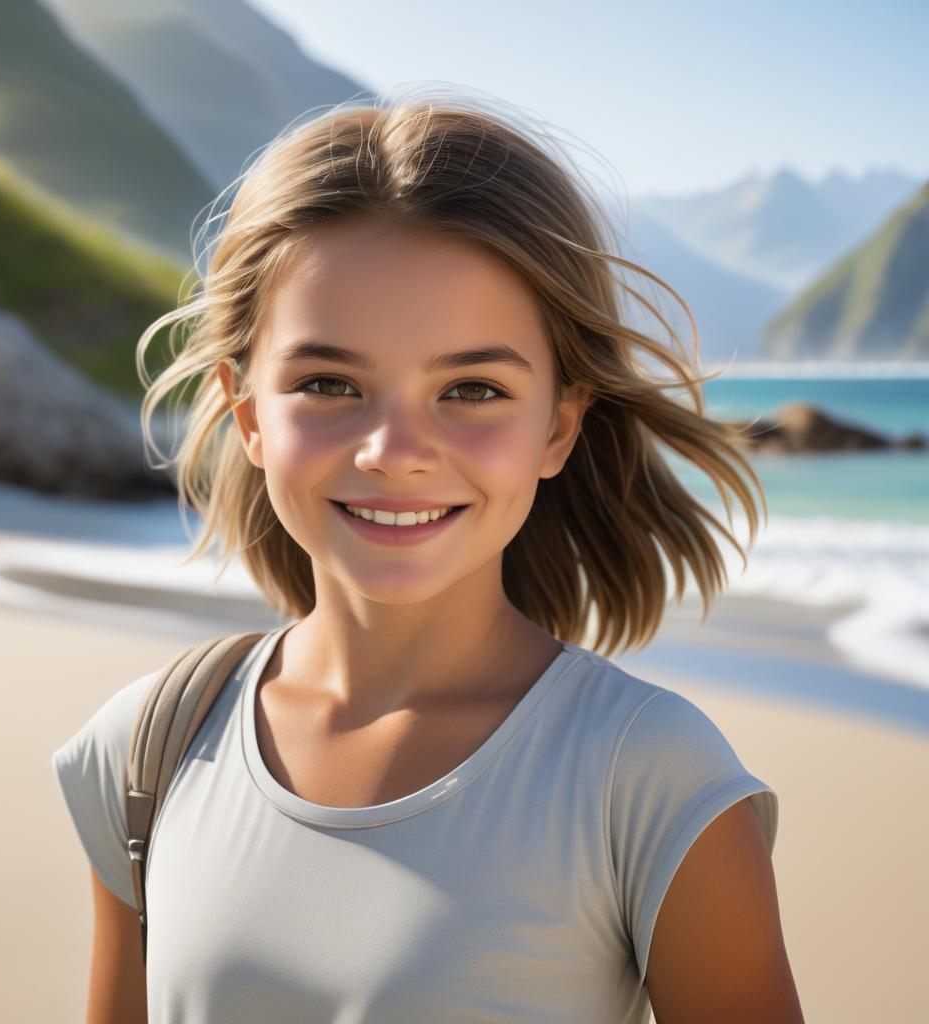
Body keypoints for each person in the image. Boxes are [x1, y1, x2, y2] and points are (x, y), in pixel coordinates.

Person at [52, 84, 804, 1023]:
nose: (394, 450)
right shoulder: (144, 753)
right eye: (330, 382)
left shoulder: (648, 776)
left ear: (559, 428)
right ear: (248, 413)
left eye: (474, 389)